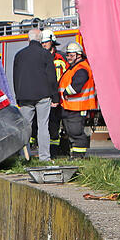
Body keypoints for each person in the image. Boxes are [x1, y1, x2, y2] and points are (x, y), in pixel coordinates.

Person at [12, 27, 60, 162]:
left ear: (28, 39)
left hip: (25, 96)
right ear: (40, 40)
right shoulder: (45, 55)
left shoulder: (19, 55)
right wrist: (55, 97)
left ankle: (24, 156)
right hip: (43, 95)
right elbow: (52, 78)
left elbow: (16, 77)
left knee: (25, 127)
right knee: (43, 126)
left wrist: (18, 96)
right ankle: (45, 157)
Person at [58, 42, 95, 157]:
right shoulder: (73, 67)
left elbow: (76, 86)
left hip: (77, 107)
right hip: (70, 107)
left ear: (79, 55)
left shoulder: (82, 68)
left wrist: (65, 92)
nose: (68, 58)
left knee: (76, 133)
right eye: (68, 55)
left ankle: (78, 158)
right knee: (71, 133)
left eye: (71, 55)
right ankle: (74, 155)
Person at [41, 29, 69, 157]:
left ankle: (57, 152)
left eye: (45, 42)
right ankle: (52, 152)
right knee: (49, 126)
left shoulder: (60, 58)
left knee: (58, 126)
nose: (43, 45)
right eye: (42, 42)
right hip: (47, 96)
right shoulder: (41, 56)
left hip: (60, 98)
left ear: (52, 42)